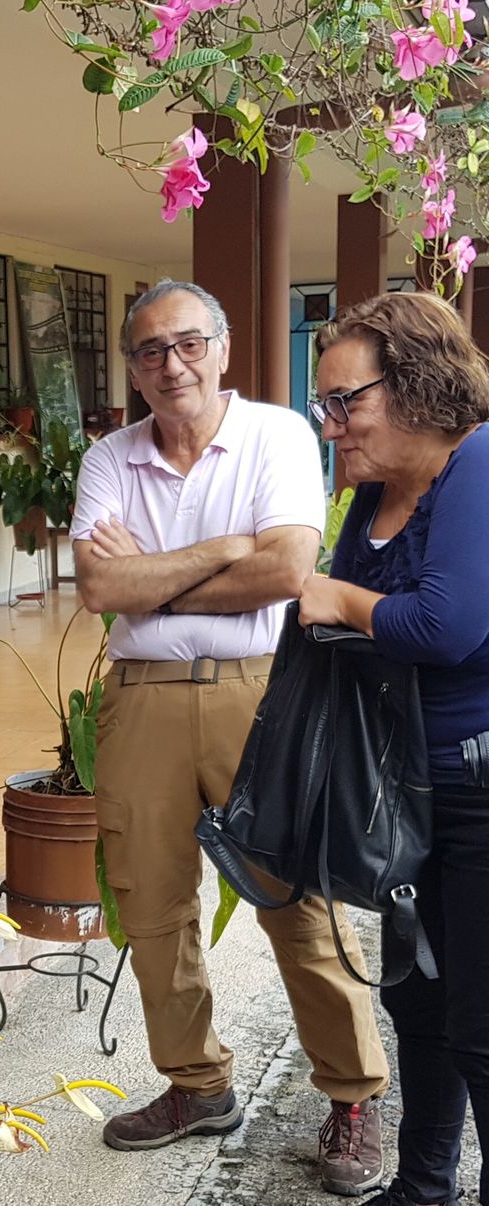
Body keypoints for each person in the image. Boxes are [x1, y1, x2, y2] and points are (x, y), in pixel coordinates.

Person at [71, 279, 390, 1196]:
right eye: (147, 351)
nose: (169, 365)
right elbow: (101, 592)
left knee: (298, 897)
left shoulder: (278, 434)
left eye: (186, 344)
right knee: (151, 903)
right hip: (140, 700)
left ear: (221, 345)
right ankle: (196, 1084)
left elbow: (289, 566)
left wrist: (150, 573)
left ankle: (354, 1096)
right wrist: (220, 550)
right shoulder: (110, 457)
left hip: (262, 691)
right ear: (131, 368)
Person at [297, 291, 489, 1206]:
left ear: (416, 384)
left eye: (346, 402)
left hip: (479, 790)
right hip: (402, 789)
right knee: (417, 1004)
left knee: (481, 1025)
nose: (330, 425)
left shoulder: (480, 463)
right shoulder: (372, 493)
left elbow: (444, 626)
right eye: (323, 406)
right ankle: (423, 1188)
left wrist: (342, 603)